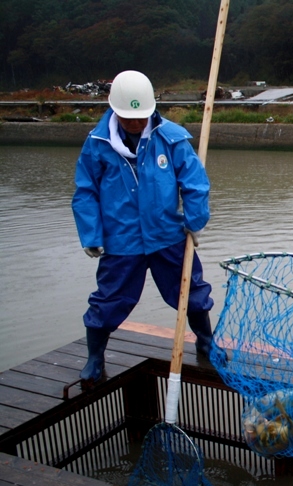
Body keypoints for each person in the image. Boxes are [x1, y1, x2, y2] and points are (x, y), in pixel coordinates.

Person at [72, 70, 214, 389]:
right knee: (108, 302)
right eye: (128, 118)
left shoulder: (172, 138)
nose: (135, 124)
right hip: (121, 240)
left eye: (141, 117)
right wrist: (91, 235)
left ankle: (206, 343)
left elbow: (194, 184)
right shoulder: (97, 144)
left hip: (167, 235)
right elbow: (85, 192)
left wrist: (194, 223)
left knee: (191, 294)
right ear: (115, 111)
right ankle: (95, 357)